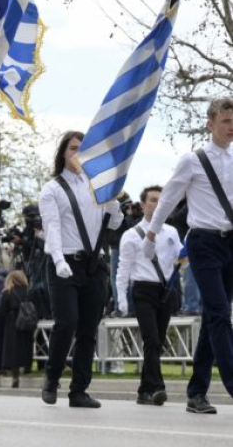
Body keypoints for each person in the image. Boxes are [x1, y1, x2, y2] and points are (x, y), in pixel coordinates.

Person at [147, 97, 233, 414]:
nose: (231, 126)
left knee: (214, 317)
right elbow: (169, 198)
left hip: (230, 243)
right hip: (203, 243)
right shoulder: (192, 160)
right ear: (210, 124)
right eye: (225, 121)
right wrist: (152, 233)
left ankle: (197, 392)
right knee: (221, 314)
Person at [39, 130, 123, 408]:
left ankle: (79, 390)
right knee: (67, 322)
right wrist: (58, 260)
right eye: (73, 148)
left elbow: (112, 225)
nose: (78, 154)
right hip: (64, 263)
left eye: (83, 149)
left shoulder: (97, 186)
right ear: (63, 152)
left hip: (93, 264)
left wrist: (113, 204)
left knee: (89, 329)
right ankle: (51, 378)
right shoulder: (52, 189)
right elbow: (52, 228)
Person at [117, 185, 181, 406]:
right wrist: (121, 298)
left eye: (161, 200)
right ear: (143, 205)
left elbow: (180, 259)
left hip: (165, 290)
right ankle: (157, 387)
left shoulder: (171, 232)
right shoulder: (131, 235)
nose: (157, 204)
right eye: (153, 200)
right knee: (151, 339)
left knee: (157, 341)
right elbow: (123, 269)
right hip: (143, 289)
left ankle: (144, 389)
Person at [0, 270, 34, 389]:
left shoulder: (7, 292)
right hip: (27, 323)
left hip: (12, 323)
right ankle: (27, 368)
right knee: (25, 347)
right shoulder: (29, 291)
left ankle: (15, 376)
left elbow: (2, 310)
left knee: (13, 350)